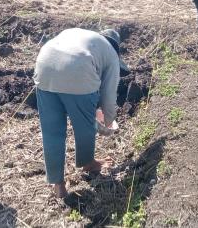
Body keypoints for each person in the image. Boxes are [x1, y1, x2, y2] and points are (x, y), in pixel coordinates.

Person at [33, 28, 130, 198]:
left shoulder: (84, 37)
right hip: (77, 69)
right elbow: (108, 96)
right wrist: (108, 122)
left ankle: (59, 185)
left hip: (44, 65)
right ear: (116, 49)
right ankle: (88, 163)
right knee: (84, 126)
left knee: (51, 132)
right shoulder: (111, 55)